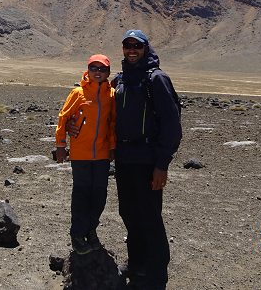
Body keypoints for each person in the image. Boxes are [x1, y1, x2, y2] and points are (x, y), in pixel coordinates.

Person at [67, 30, 182, 289]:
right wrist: (72, 124)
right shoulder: (119, 80)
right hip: (124, 158)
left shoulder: (156, 79)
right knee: (129, 213)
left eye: (137, 45)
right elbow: (96, 105)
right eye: (127, 45)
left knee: (150, 216)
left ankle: (156, 276)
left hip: (148, 159)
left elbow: (172, 125)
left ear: (145, 48)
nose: (132, 50)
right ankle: (137, 264)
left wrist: (162, 164)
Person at [55, 54, 116, 255]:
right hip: (80, 153)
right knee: (82, 194)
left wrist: (112, 147)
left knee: (99, 194)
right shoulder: (78, 93)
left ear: (108, 72)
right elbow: (63, 118)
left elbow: (112, 123)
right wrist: (61, 145)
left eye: (102, 69)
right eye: (93, 68)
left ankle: (91, 230)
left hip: (102, 154)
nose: (98, 72)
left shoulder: (111, 95)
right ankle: (77, 235)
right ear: (87, 71)